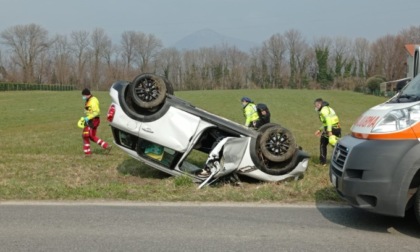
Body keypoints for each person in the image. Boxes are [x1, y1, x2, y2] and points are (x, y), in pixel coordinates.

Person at [81, 88, 112, 156]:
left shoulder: (93, 101)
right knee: (92, 136)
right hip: (92, 119)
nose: (83, 97)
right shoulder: (89, 100)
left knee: (85, 135)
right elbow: (88, 110)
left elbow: (96, 112)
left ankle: (87, 153)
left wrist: (87, 118)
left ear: (87, 95)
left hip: (93, 120)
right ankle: (106, 146)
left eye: (83, 95)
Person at [314, 98, 341, 166]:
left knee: (323, 144)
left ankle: (323, 163)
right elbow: (327, 122)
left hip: (331, 129)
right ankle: (340, 162)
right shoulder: (329, 108)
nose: (315, 107)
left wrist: (329, 131)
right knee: (336, 146)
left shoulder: (323, 111)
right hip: (337, 128)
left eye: (316, 106)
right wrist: (320, 130)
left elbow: (328, 120)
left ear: (319, 104)